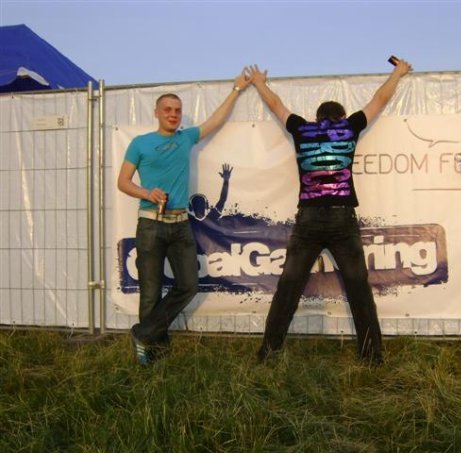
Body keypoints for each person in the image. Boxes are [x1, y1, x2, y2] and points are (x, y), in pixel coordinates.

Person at [247, 58, 412, 364]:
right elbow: (380, 99)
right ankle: (372, 357)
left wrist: (259, 82)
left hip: (308, 221)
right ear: (342, 116)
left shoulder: (302, 129)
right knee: (359, 288)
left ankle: (268, 353)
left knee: (288, 287)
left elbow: (276, 105)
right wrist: (398, 72)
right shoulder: (350, 127)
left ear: (317, 117)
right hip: (342, 218)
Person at [117, 70, 250, 365]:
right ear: (156, 113)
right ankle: (153, 353)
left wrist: (236, 90)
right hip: (150, 224)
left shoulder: (186, 138)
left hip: (180, 226)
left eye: (177, 110)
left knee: (188, 285)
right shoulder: (140, 143)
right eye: (167, 109)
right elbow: (123, 182)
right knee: (150, 292)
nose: (173, 114)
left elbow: (215, 121)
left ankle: (143, 333)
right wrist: (147, 192)